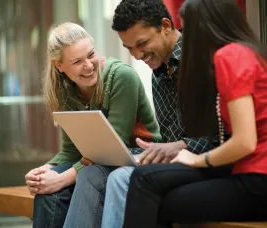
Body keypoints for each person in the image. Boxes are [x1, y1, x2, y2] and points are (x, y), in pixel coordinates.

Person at [110, 0, 267, 227]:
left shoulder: (229, 57)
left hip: (262, 178)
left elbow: (245, 142)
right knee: (150, 190)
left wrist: (197, 158)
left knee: (150, 191)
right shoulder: (248, 53)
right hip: (257, 175)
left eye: (188, 29)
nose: (185, 38)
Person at [63, 1, 229, 228]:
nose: (138, 55)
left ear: (166, 26)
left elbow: (223, 136)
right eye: (129, 48)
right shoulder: (158, 72)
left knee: (121, 179)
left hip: (210, 163)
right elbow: (169, 138)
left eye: (142, 43)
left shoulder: (204, 62)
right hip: (173, 162)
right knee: (93, 173)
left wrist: (179, 146)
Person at [24, 22, 162, 228]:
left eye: (91, 55)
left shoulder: (121, 77)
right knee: (47, 192)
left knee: (84, 176)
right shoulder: (64, 90)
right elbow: (71, 151)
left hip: (138, 155)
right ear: (59, 66)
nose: (88, 65)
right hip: (96, 160)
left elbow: (113, 149)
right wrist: (44, 171)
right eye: (78, 61)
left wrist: (62, 179)